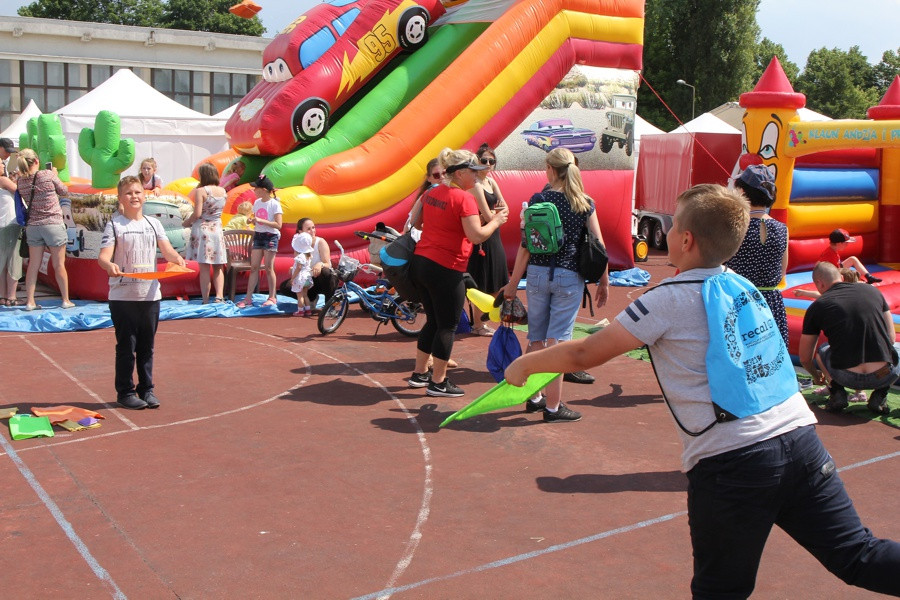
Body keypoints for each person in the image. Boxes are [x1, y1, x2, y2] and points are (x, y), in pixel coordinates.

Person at [505, 184, 900, 598]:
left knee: (720, 590)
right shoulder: (743, 285)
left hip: (733, 461)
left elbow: (584, 353)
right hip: (801, 439)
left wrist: (524, 364)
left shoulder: (665, 299)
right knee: (857, 555)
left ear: (687, 239)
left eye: (673, 226)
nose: (668, 232)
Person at [500, 147, 608, 422]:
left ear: (550, 169)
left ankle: (534, 398)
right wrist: (603, 281)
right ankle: (553, 406)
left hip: (536, 273)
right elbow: (599, 245)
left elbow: (526, 246)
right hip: (568, 276)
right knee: (558, 342)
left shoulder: (537, 200)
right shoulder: (584, 203)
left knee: (536, 338)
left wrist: (513, 283)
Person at [407, 148, 508, 398]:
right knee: (447, 326)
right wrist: (496, 221)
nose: (477, 176)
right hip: (446, 266)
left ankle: (420, 373)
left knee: (433, 320)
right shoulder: (463, 198)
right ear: (461, 173)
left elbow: (417, 222)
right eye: (473, 171)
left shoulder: (433, 192)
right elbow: (476, 236)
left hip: (422, 262)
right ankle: (438, 382)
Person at [98, 176, 186, 410]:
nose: (134, 196)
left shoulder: (154, 224)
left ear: (144, 196)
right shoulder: (115, 225)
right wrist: (110, 266)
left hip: (150, 295)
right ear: (120, 199)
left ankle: (146, 389)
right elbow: (104, 256)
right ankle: (125, 392)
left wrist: (178, 259)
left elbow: (168, 252)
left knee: (147, 347)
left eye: (138, 192)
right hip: (122, 297)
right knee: (127, 347)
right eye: (128, 193)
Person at [799, 261, 899, 415]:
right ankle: (880, 393)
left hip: (845, 376)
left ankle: (837, 392)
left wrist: (815, 374)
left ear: (819, 283)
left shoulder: (818, 306)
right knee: (896, 348)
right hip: (883, 374)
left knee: (823, 350)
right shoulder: (873, 291)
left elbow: (805, 357)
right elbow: (891, 338)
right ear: (841, 276)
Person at [724, 164, 789, 344]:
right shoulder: (782, 228)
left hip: (739, 302)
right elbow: (782, 271)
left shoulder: (734, 227)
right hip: (771, 303)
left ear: (742, 192)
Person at [16, 148, 74, 311]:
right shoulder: (46, 175)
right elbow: (64, 191)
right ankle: (65, 299)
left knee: (33, 264)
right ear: (36, 161)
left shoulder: (21, 181)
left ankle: (30, 302)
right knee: (58, 264)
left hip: (33, 226)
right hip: (53, 223)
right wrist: (54, 174)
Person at [466, 143, 509, 336]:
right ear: (477, 162)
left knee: (496, 279)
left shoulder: (491, 182)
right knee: (481, 281)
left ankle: (482, 320)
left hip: (494, 235)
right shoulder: (475, 185)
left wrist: (494, 215)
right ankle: (477, 324)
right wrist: (494, 215)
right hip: (482, 237)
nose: (488, 164)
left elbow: (505, 208)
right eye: (484, 160)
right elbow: (490, 214)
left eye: (492, 161)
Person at [184, 163, 227, 304]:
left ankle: (205, 299)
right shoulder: (223, 191)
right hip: (217, 229)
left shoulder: (201, 191)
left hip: (203, 230)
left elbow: (197, 213)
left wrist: (186, 222)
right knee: (218, 266)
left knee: (204, 267)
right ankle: (219, 296)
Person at [236, 175, 282, 309]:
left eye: (256, 188)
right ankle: (248, 297)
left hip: (270, 236)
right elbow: (256, 217)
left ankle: (272, 296)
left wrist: (262, 221)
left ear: (263, 189)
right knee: (254, 267)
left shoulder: (274, 204)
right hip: (259, 235)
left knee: (269, 267)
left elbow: (278, 225)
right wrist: (252, 220)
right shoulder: (257, 203)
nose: (254, 190)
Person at [294, 217, 338, 312]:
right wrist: (293, 271)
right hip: (308, 280)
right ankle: (311, 299)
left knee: (327, 273)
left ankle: (329, 305)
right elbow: (298, 264)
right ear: (301, 231)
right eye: (308, 229)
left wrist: (320, 264)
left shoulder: (320, 242)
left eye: (313, 228)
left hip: (320, 279)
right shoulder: (298, 245)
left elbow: (328, 264)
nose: (312, 231)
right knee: (286, 286)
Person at [0, 159, 22, 306]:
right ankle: (11, 297)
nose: (3, 165)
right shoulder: (3, 180)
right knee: (14, 260)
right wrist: (19, 179)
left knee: (3, 262)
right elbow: (18, 192)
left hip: (3, 224)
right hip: (10, 223)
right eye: (0, 163)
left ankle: (2, 296)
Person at [403, 157, 442, 239]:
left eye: (445, 173)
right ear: (429, 178)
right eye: (437, 175)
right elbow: (408, 227)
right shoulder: (425, 197)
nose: (442, 178)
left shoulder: (455, 195)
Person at [290, 231, 314, 316]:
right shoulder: (308, 256)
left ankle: (300, 310)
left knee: (299, 295)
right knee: (305, 295)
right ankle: (308, 310)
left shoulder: (300, 257)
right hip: (307, 277)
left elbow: (299, 267)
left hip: (301, 278)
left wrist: (293, 278)